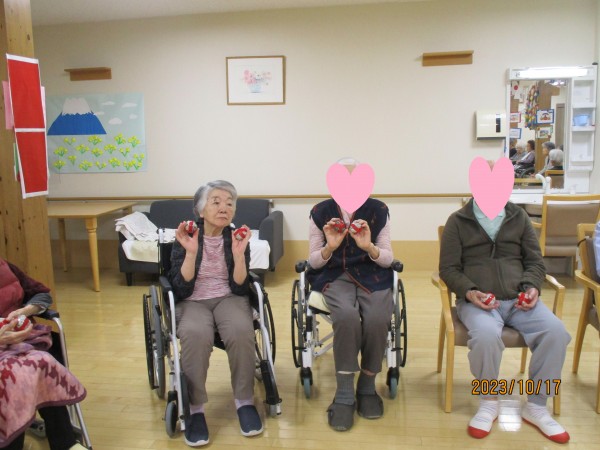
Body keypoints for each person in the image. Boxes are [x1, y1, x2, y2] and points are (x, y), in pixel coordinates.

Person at [439, 196, 571, 444]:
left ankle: (537, 405)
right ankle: (488, 401)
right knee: (486, 335)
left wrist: (532, 287)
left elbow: (535, 262)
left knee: (556, 332)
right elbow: (448, 269)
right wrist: (470, 291)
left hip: (520, 301)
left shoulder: (519, 217)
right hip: (478, 302)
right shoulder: (457, 221)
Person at [167, 180, 262, 447]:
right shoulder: (186, 236)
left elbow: (240, 287)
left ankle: (244, 401)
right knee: (195, 334)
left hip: (228, 297)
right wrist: (191, 252)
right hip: (192, 300)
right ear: (200, 210)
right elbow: (180, 288)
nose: (224, 208)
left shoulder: (236, 237)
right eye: (216, 202)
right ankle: (195, 408)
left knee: (242, 330)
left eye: (230, 203)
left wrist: (239, 256)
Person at [307, 158, 394, 432]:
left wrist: (369, 247)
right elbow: (313, 261)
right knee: (345, 315)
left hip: (373, 273)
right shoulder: (320, 212)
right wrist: (329, 247)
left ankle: (367, 385)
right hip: (333, 274)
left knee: (378, 316)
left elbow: (388, 258)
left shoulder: (379, 210)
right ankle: (345, 391)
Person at [0, 257, 87, 450]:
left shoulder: (6, 266)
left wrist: (25, 310)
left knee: (44, 361)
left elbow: (42, 295)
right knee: (16, 377)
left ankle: (65, 443)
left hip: (24, 343)